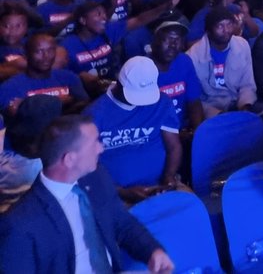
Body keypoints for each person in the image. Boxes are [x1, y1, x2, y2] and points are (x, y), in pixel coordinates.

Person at [0, 115, 174, 273]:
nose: (101, 148)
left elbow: (122, 223)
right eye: (94, 143)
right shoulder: (19, 225)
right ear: (69, 159)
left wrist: (152, 251)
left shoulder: (97, 178)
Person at [86, 56, 182, 198]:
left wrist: (169, 176)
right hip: (113, 194)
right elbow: (84, 165)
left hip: (159, 186)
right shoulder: (94, 114)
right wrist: (120, 192)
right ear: (119, 83)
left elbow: (174, 146)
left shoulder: (162, 103)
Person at [186, 6, 257, 116]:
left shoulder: (242, 45)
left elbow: (247, 85)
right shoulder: (193, 56)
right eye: (220, 26)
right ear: (208, 31)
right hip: (210, 110)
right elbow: (195, 100)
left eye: (229, 25)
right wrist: (217, 114)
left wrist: (245, 107)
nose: (226, 30)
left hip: (238, 103)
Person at [0, 32, 89, 115]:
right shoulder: (9, 88)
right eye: (39, 51)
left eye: (50, 51)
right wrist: (58, 102)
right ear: (26, 54)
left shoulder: (69, 77)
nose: (46, 56)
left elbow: (85, 106)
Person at [148, 19, 204, 131]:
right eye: (168, 39)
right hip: (154, 132)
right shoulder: (142, 68)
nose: (173, 45)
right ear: (155, 42)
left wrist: (197, 133)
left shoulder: (184, 61)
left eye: (177, 40)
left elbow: (194, 101)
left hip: (182, 128)